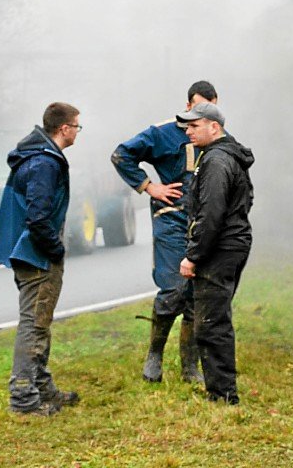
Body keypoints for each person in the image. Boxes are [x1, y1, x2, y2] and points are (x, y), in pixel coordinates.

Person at [110, 80, 217, 383]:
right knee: (174, 289)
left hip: (205, 224)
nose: (204, 114)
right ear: (187, 105)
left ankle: (189, 366)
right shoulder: (163, 132)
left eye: (211, 108)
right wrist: (149, 187)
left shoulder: (218, 136)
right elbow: (121, 155)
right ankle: (154, 355)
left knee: (198, 293)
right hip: (172, 219)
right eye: (198, 107)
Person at [0, 102, 83, 416]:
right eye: (77, 127)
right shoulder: (45, 162)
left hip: (26, 252)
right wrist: (55, 249)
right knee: (33, 324)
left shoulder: (34, 155)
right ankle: (24, 399)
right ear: (64, 128)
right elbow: (38, 216)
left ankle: (43, 388)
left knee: (39, 323)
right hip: (36, 255)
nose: (78, 133)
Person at [177, 102, 255, 404]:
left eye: (194, 126)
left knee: (211, 323)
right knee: (214, 318)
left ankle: (222, 395)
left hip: (219, 248)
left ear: (214, 127)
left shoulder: (216, 161)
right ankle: (220, 390)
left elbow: (211, 214)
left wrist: (193, 255)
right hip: (231, 244)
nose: (188, 131)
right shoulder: (223, 156)